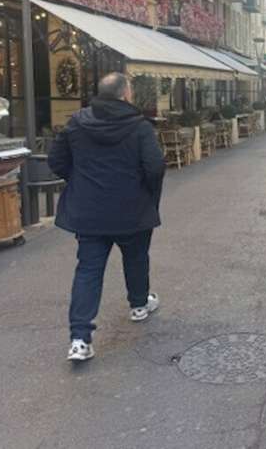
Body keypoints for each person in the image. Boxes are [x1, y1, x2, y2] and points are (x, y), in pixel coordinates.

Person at [48, 72, 166, 363]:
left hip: (89, 211)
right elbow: (155, 166)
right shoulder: (139, 127)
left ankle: (80, 339)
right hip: (131, 207)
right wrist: (148, 195)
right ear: (125, 94)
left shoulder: (77, 123)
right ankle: (139, 305)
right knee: (136, 257)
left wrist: (80, 182)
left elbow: (56, 161)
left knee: (88, 270)